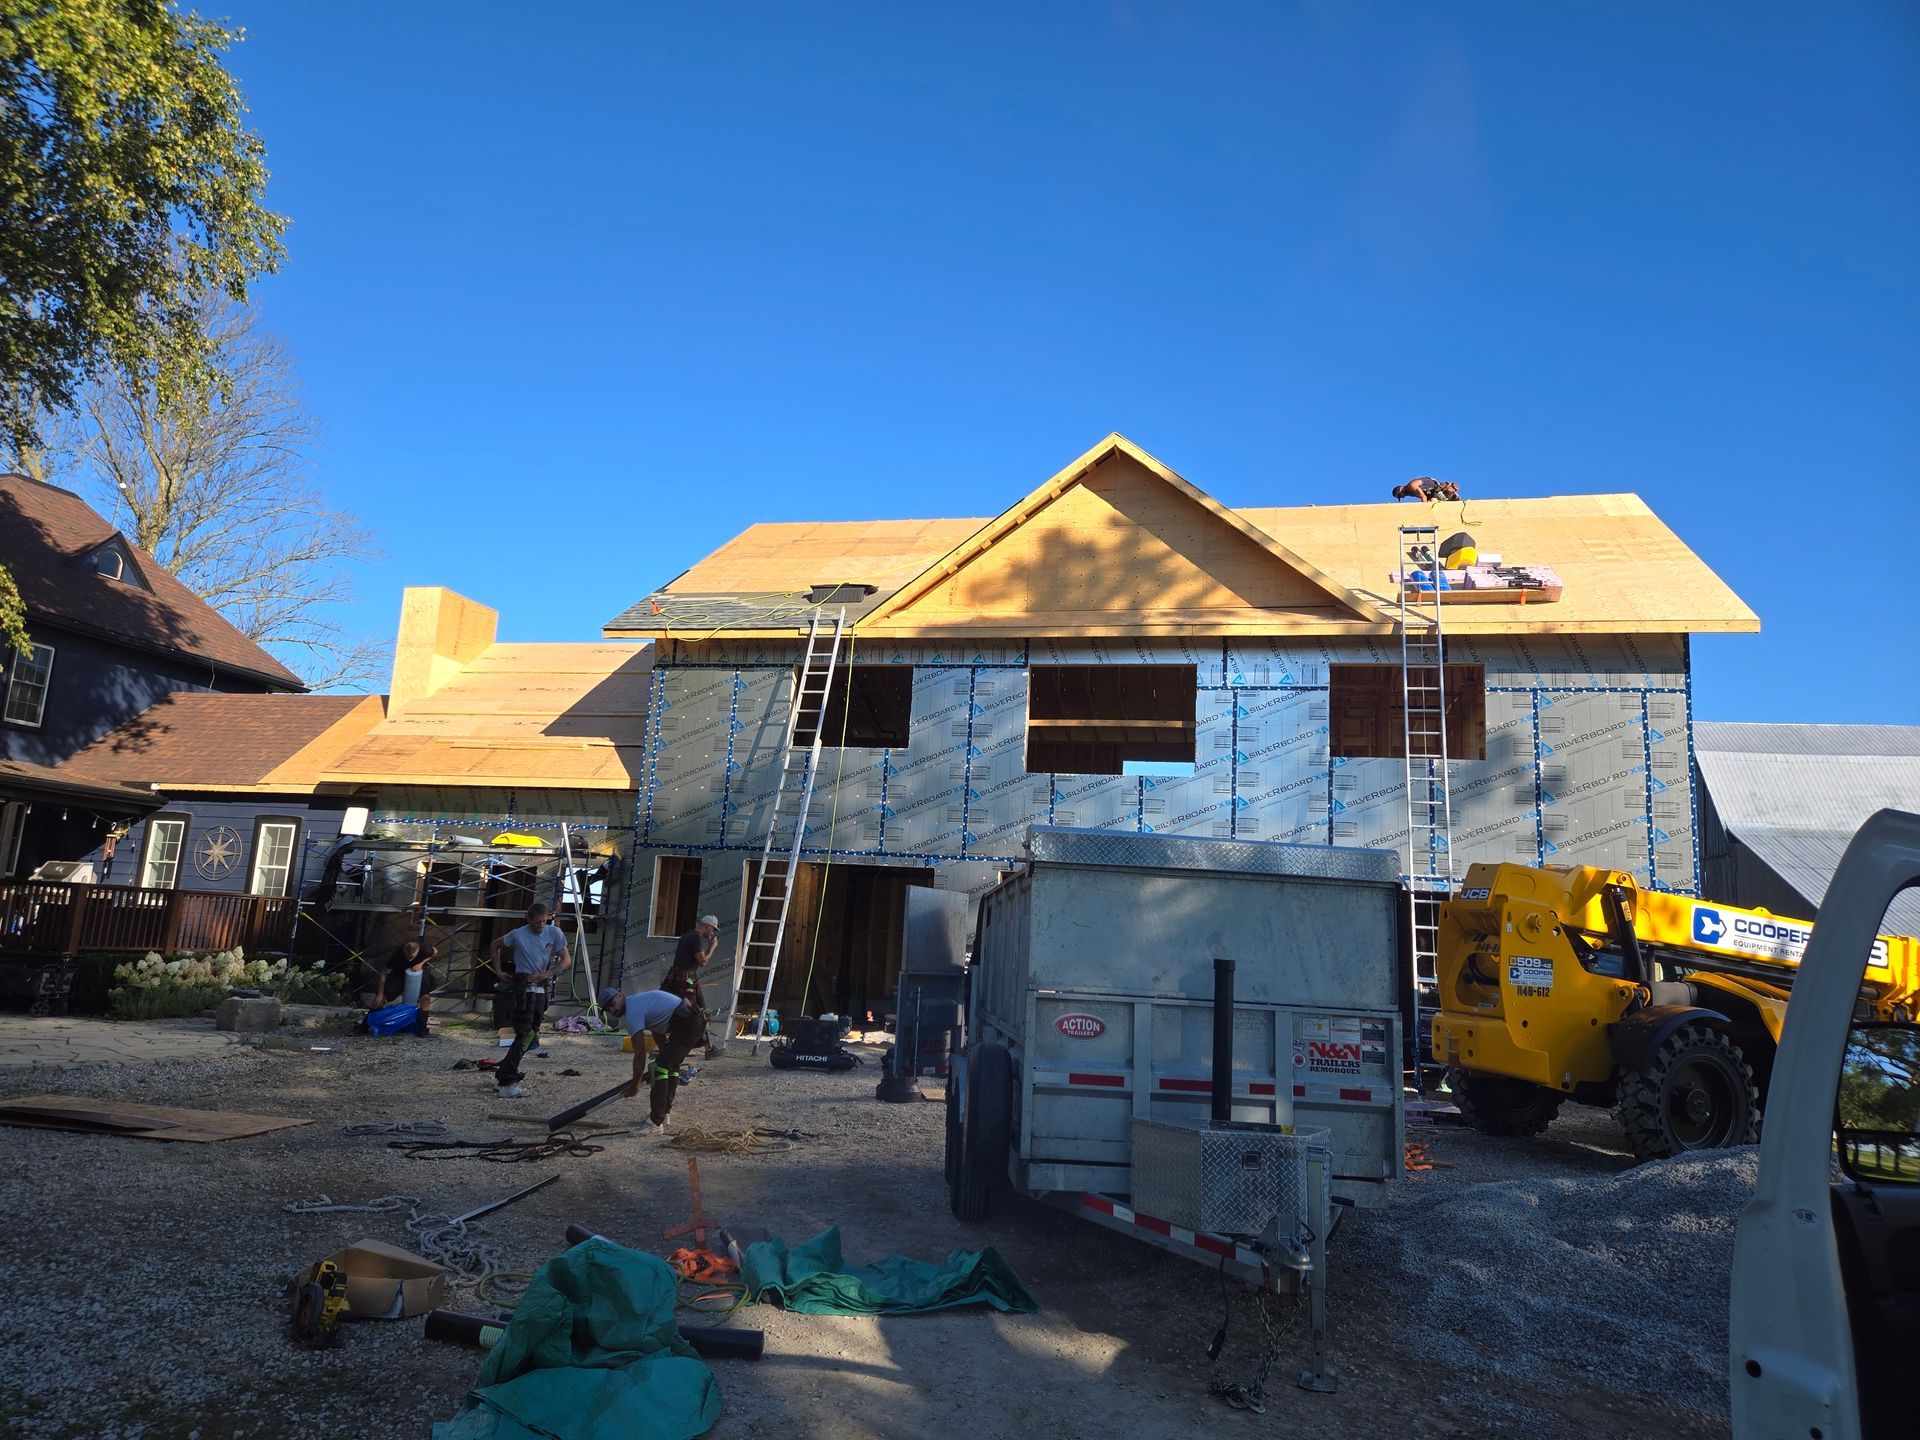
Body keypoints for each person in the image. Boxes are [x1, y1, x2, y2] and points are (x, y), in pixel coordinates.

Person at [598, 984, 706, 1134]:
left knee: (659, 1068)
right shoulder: (638, 1002)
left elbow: (640, 1054)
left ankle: (655, 1123)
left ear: (621, 995)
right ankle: (664, 1114)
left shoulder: (632, 1011)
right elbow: (657, 1031)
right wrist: (665, 1053)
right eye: (607, 1008)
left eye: (612, 1003)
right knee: (669, 1065)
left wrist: (635, 1085)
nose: (612, 1009)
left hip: (687, 1023)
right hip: (690, 1020)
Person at [489, 903, 570, 1098]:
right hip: (523, 989)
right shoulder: (518, 934)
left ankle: (505, 1072)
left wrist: (547, 974)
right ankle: (507, 1081)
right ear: (528, 920)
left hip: (540, 988)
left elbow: (566, 960)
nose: (541, 926)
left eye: (544, 922)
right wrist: (498, 971)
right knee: (524, 1034)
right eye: (536, 923)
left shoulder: (555, 933)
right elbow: (495, 945)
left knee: (531, 1033)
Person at [665, 914, 721, 1056]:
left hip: (680, 978)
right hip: (687, 979)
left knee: (698, 1008)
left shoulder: (686, 936)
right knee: (695, 1011)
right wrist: (712, 947)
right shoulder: (696, 938)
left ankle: (708, 1047)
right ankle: (680, 1045)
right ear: (708, 926)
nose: (713, 933)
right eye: (713, 929)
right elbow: (702, 961)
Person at [373, 941, 439, 1017]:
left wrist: (421, 963)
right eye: (407, 957)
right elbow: (384, 972)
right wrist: (380, 993)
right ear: (403, 951)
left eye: (412, 957)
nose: (409, 959)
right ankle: (371, 1019)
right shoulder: (397, 953)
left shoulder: (425, 949)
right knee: (384, 995)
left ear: (418, 952)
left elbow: (435, 951)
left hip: (418, 970)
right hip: (400, 971)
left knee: (425, 998)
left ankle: (422, 1024)